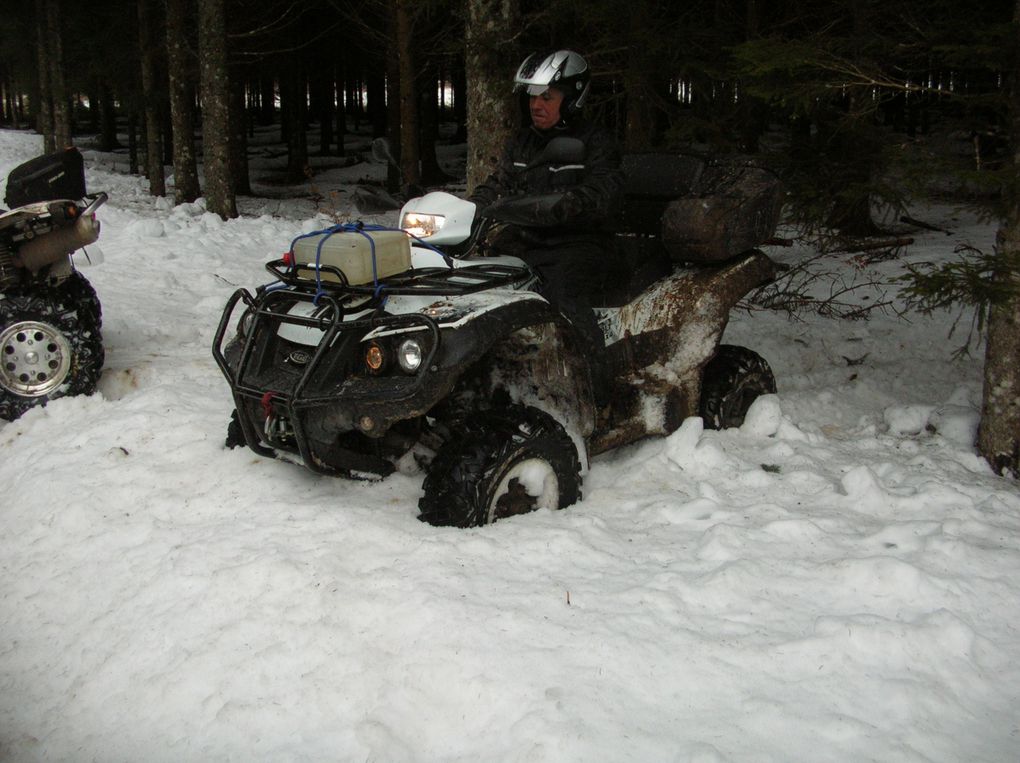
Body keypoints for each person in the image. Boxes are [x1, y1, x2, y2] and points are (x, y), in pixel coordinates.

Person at [470, 50, 624, 404]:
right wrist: (470, 208)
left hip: (578, 243)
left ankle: (598, 394)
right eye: (532, 97)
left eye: (547, 97)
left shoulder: (596, 143)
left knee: (564, 300)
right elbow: (499, 183)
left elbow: (607, 188)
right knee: (479, 287)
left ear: (573, 98)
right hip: (525, 239)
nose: (536, 105)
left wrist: (573, 202)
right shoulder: (522, 142)